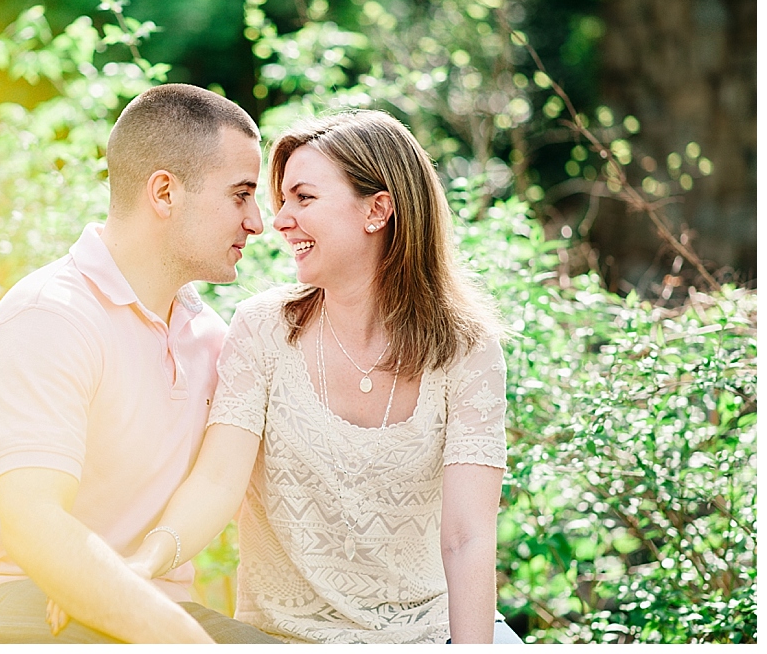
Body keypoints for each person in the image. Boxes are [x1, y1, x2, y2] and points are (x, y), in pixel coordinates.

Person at [48, 109, 522, 643]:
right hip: (285, 637)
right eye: (282, 200)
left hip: (435, 632)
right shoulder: (263, 330)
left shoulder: (468, 350)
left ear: (378, 209)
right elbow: (217, 481)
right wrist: (139, 567)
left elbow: (467, 538)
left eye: (305, 198)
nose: (278, 220)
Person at [0, 83, 281, 643]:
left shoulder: (211, 338)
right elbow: (34, 527)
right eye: (240, 194)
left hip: (148, 601)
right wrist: (184, 642)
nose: (257, 221)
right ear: (163, 192)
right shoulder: (50, 319)